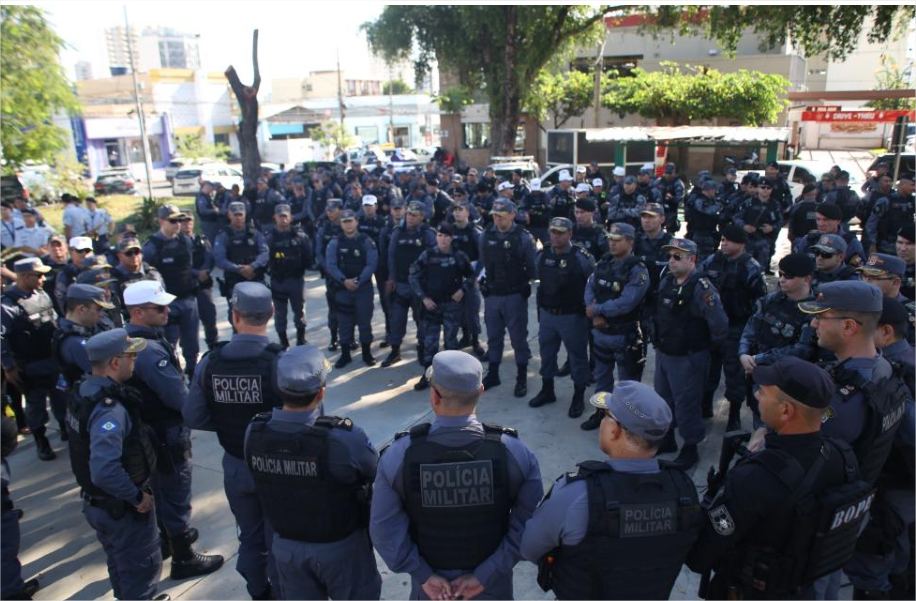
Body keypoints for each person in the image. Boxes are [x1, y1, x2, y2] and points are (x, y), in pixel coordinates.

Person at [686, 357, 868, 600]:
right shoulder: (842, 456)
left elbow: (701, 555)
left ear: (786, 410)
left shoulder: (754, 477)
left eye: (762, 392)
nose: (757, 396)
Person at [370, 350, 544, 600]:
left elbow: (383, 528)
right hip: (492, 587)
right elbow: (530, 526)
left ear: (434, 396)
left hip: (430, 591)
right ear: (481, 391)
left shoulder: (399, 456)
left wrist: (423, 575)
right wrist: (486, 575)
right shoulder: (515, 453)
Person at [521, 382, 701, 600]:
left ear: (615, 430)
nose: (602, 422)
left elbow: (530, 547)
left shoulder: (577, 494)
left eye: (605, 416)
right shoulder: (683, 490)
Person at [244, 344, 382, 600]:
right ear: (321, 392)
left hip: (286, 547)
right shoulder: (342, 439)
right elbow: (375, 471)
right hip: (341, 548)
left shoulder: (255, 431)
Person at [184, 282, 284, 599]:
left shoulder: (210, 362)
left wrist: (230, 424)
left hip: (237, 464)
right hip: (277, 466)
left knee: (251, 538)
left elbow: (193, 416)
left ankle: (258, 591)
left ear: (233, 315)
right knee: (280, 536)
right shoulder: (281, 361)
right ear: (271, 312)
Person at [122, 279, 224, 578]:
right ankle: (183, 556)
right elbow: (179, 398)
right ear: (138, 313)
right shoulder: (150, 352)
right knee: (175, 492)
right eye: (159, 308)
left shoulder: (129, 339)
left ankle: (166, 541)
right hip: (165, 435)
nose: (167, 311)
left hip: (147, 434)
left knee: (160, 489)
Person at [65, 328, 162, 599]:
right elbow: (104, 469)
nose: (135, 362)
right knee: (139, 572)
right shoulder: (109, 409)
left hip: (100, 506)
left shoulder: (83, 391)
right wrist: (136, 497)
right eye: (131, 356)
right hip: (120, 509)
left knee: (121, 567)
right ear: (115, 362)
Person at [653, 239, 729, 469]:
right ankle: (667, 438)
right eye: (670, 256)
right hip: (665, 353)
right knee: (663, 399)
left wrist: (707, 350)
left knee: (687, 404)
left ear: (692, 259)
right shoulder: (666, 280)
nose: (671, 261)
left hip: (688, 356)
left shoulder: (701, 287)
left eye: (677, 257)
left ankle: (690, 446)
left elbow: (719, 323)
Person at [580, 223, 651, 430]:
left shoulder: (637, 270)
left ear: (630, 242)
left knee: (627, 384)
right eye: (610, 238)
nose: (611, 242)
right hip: (601, 333)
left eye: (617, 239)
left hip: (625, 334)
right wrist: (593, 311)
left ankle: (626, 421)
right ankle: (601, 414)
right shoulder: (604, 262)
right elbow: (589, 287)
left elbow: (627, 302)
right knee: (602, 379)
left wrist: (598, 310)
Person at [699, 224, 767, 429]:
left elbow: (760, 302)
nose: (724, 243)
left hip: (737, 326)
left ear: (742, 244)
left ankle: (734, 414)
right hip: (712, 325)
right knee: (708, 367)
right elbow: (699, 280)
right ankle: (705, 404)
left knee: (734, 373)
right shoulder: (714, 260)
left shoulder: (750, 266)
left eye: (729, 240)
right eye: (723, 239)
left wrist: (752, 333)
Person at [528, 217, 594, 417]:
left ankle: (578, 396)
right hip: (548, 315)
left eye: (560, 232)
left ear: (570, 234)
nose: (555, 236)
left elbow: (593, 284)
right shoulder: (543, 254)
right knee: (547, 354)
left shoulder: (581, 257)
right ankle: (547, 390)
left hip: (572, 317)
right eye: (552, 232)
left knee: (577, 357)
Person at [1, 257, 63, 460]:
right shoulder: (8, 304)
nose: (43, 279)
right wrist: (9, 367)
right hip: (30, 365)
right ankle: (41, 442)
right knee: (36, 407)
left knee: (62, 399)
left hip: (52, 359)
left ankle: (65, 428)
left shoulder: (42, 293)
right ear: (24, 277)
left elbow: (54, 319)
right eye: (39, 275)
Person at [479, 198, 537, 396]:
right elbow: (483, 263)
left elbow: (532, 267)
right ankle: (493, 373)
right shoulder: (486, 235)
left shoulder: (523, 237)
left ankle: (521, 376)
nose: (497, 219)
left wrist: (526, 285)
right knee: (493, 337)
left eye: (501, 216)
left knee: (518, 339)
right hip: (493, 295)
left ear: (512, 215)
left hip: (514, 295)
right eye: (495, 215)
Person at [409, 223, 474, 390]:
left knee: (451, 343)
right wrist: (423, 298)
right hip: (432, 306)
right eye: (440, 235)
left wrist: (462, 290)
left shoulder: (459, 256)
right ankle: (428, 375)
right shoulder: (427, 255)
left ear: (451, 238)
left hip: (452, 306)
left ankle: (451, 378)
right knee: (430, 344)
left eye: (446, 236)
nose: (443, 239)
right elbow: (413, 275)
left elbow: (471, 276)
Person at [142, 204, 202, 377]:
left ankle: (192, 374)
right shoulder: (151, 246)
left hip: (188, 299)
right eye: (173, 220)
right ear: (161, 221)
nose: (178, 224)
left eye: (180, 220)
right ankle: (173, 376)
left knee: (191, 344)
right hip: (166, 304)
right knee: (169, 345)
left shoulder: (185, 240)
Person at [383, 200, 436, 367]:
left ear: (422, 217)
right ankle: (395, 350)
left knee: (421, 319)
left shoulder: (428, 233)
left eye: (414, 215)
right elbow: (391, 256)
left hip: (420, 285)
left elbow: (433, 259)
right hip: (400, 283)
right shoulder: (397, 231)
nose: (410, 218)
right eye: (409, 214)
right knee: (397, 319)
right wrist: (391, 278)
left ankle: (422, 348)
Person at [326, 209, 378, 368]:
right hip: (342, 288)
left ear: (356, 222)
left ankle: (366, 353)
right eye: (344, 221)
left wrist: (359, 281)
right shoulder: (335, 242)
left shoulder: (366, 241)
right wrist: (344, 281)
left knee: (364, 321)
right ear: (341, 224)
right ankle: (345, 354)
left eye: (350, 221)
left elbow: (372, 264)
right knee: (344, 323)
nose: (348, 224)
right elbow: (331, 265)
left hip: (362, 288)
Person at [53, 284, 114, 404]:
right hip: (90, 401)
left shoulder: (87, 328)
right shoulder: (75, 342)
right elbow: (108, 374)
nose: (101, 314)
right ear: (82, 309)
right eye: (98, 309)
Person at [265, 203, 313, 348]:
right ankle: (284, 342)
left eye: (285, 216)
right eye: (280, 216)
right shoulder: (270, 238)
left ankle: (301, 338)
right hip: (278, 281)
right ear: (275, 218)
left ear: (290, 217)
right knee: (280, 315)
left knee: (299, 311)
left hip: (296, 280)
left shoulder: (300, 236)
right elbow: (264, 258)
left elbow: (309, 257)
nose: (283, 219)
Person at [214, 201, 270, 324]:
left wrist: (252, 267)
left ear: (245, 214)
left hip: (255, 279)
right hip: (234, 282)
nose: (238, 217)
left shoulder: (255, 233)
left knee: (259, 316)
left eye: (240, 214)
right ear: (229, 215)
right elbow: (220, 259)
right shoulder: (223, 235)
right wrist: (239, 269)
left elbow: (265, 253)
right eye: (235, 214)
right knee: (237, 317)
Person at [450, 201, 486, 357]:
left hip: (470, 274)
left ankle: (475, 340)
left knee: (472, 309)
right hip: (453, 275)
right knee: (457, 310)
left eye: (461, 210)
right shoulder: (449, 230)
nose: (457, 213)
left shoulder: (475, 232)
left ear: (468, 213)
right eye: (455, 210)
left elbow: (483, 256)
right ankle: (465, 337)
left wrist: (476, 277)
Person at [181, 215, 219, 351]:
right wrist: (197, 273)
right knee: (188, 327)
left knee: (210, 319)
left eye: (189, 221)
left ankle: (213, 347)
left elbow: (210, 257)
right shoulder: (177, 243)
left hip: (203, 285)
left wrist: (205, 271)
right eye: (183, 222)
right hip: (186, 287)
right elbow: (180, 266)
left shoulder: (201, 240)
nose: (186, 224)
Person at [866, 174, 914, 255]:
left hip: (905, 246)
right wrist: (872, 244)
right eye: (912, 185)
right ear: (902, 185)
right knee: (875, 265)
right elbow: (871, 223)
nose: (913, 188)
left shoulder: (912, 201)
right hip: (886, 246)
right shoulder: (885, 201)